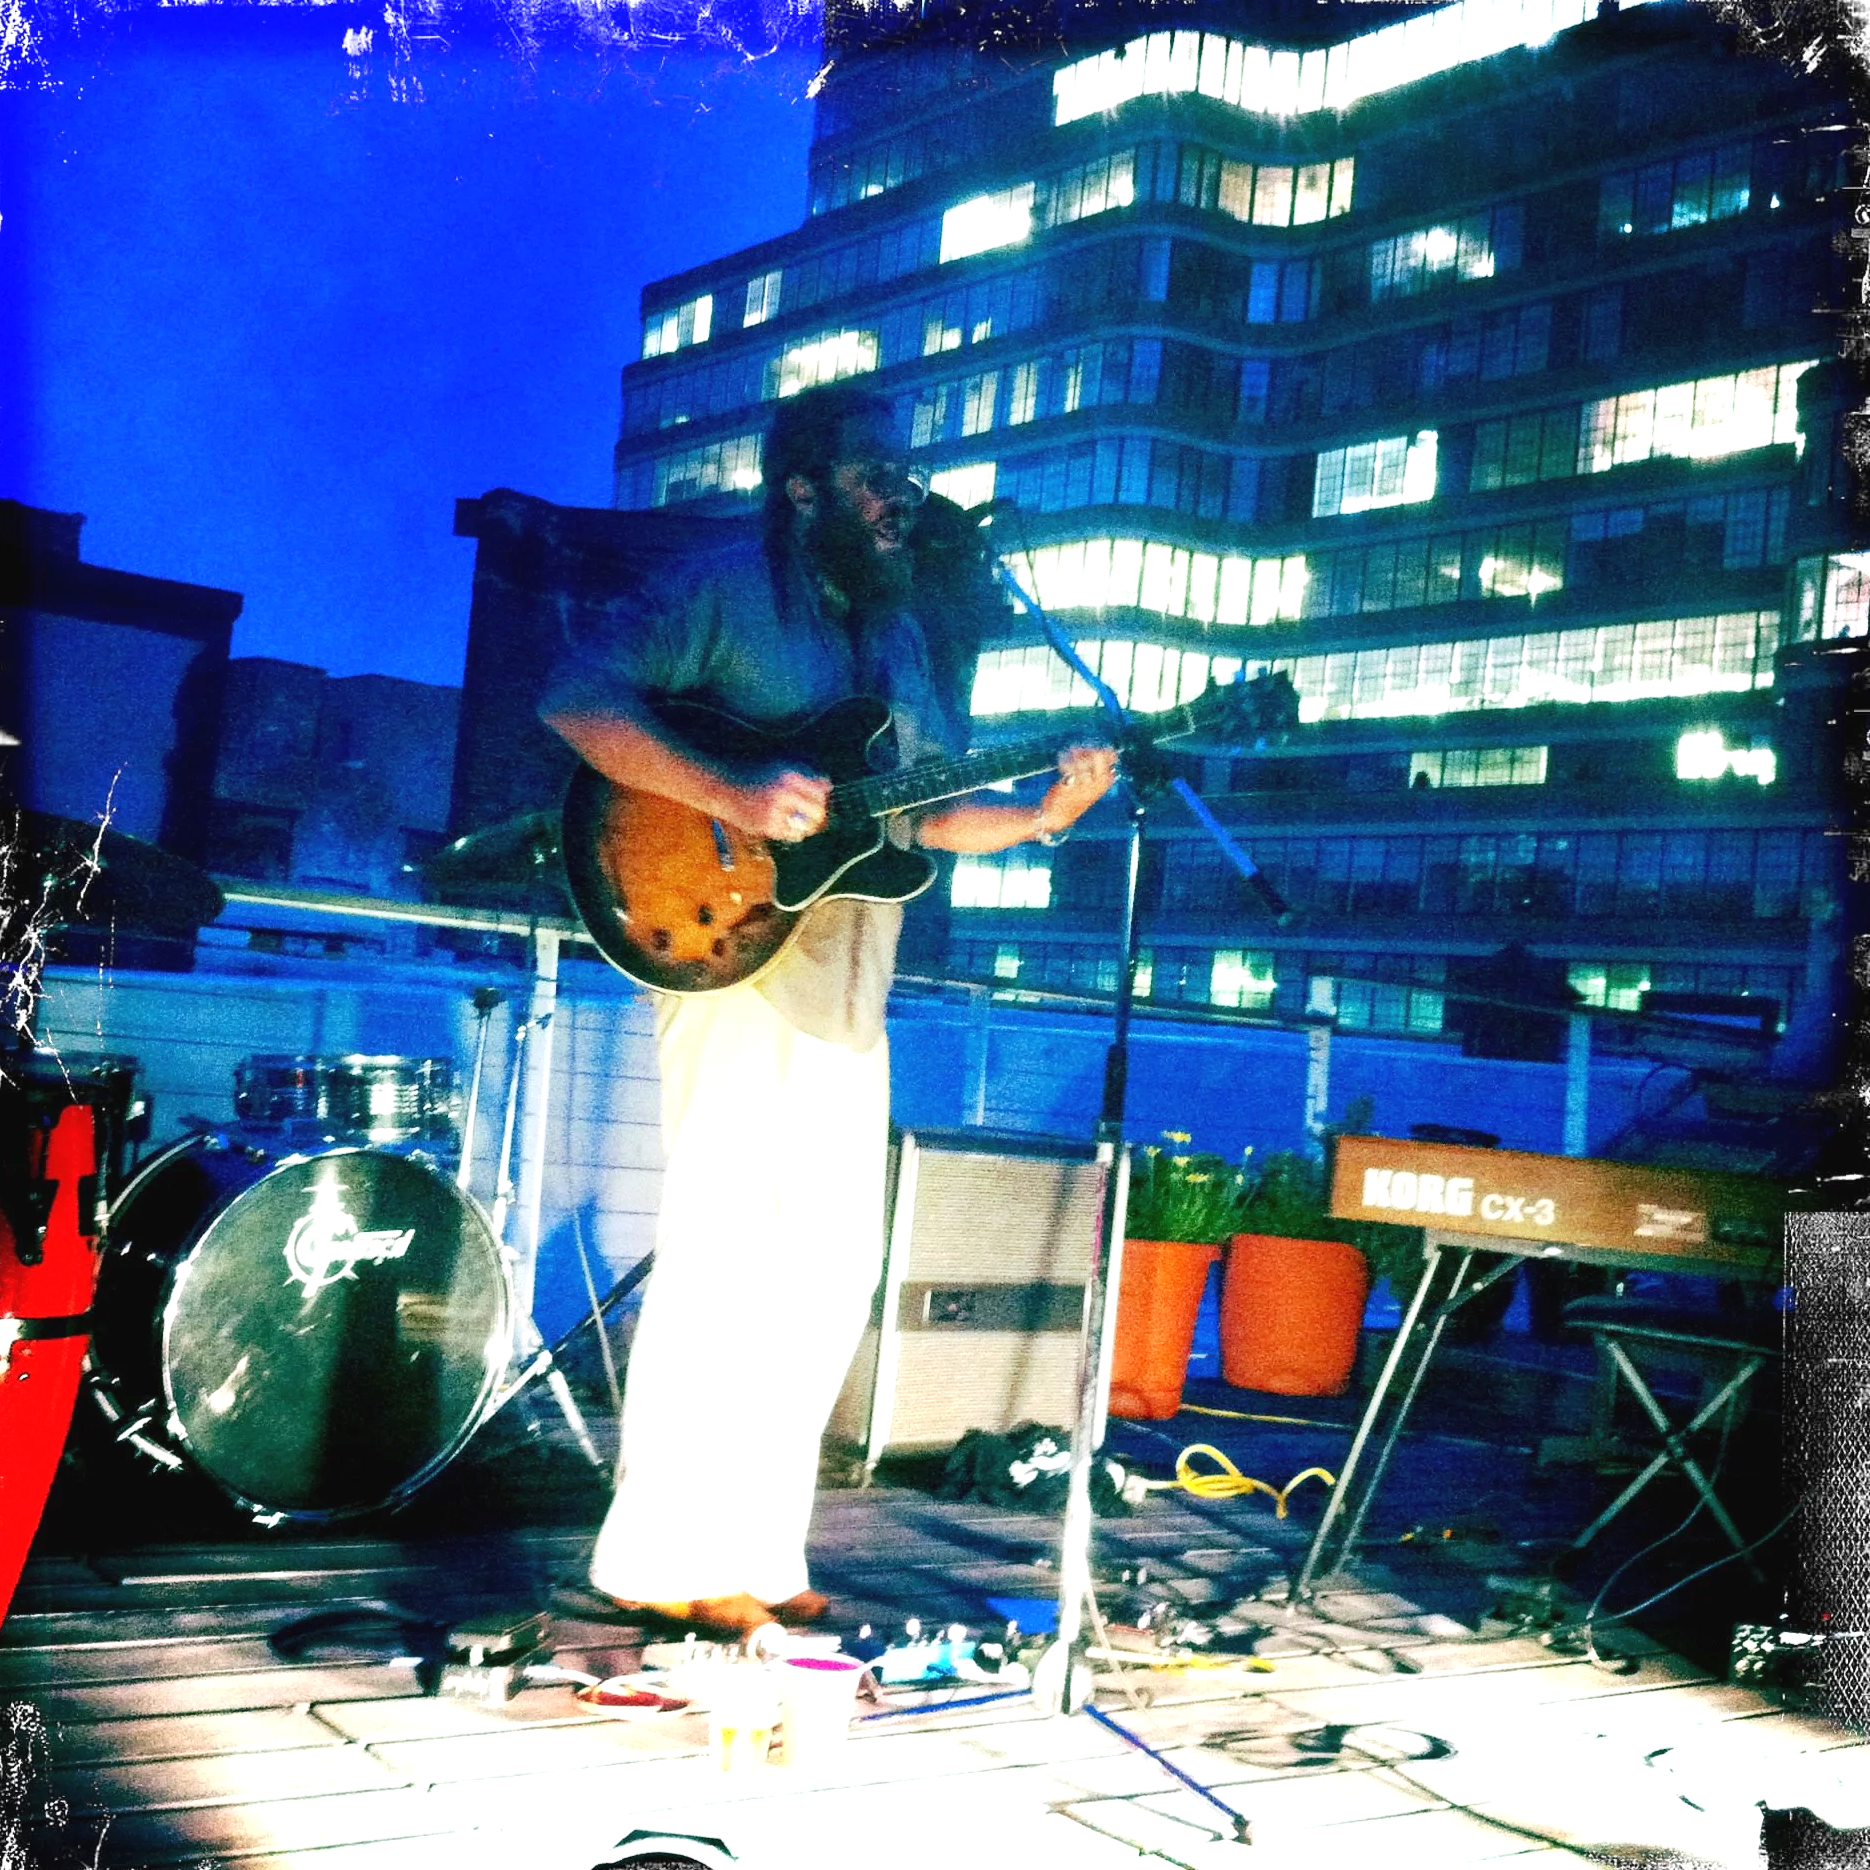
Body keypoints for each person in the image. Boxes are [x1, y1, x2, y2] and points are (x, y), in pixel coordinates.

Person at [540, 382, 1117, 1640]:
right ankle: (658, 1559)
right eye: (874, 471)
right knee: (726, 1254)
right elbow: (579, 705)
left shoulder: (902, 637)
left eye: (906, 473)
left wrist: (1041, 813)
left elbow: (920, 818)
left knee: (823, 1266)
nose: (898, 491)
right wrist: (731, 791)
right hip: (725, 940)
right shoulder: (720, 588)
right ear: (803, 486)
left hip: (858, 963)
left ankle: (753, 1542)